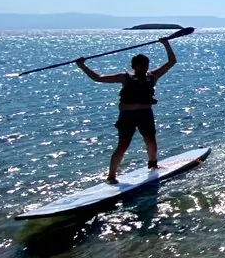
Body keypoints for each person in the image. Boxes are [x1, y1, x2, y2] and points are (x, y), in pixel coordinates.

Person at [75, 37, 178, 184]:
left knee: (151, 141)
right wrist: (82, 66)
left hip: (145, 114)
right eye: (141, 66)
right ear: (134, 66)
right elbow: (98, 78)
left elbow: (171, 62)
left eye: (146, 66)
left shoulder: (153, 76)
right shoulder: (124, 77)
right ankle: (111, 176)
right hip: (127, 116)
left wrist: (166, 44)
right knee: (123, 145)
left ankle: (153, 165)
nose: (144, 69)